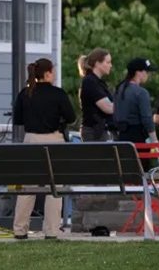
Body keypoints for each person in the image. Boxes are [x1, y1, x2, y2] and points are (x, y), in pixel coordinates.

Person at [11, 58, 76, 239]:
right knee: (54, 186)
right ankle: (52, 230)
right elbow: (71, 117)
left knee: (28, 186)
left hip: (31, 140)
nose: (53, 75)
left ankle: (20, 229)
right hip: (54, 140)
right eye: (53, 72)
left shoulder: (25, 93)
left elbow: (18, 120)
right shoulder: (58, 94)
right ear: (47, 73)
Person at [114, 58, 159, 144]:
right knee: (140, 158)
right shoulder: (141, 92)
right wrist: (154, 140)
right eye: (146, 72)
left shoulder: (119, 90)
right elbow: (147, 119)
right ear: (138, 72)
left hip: (122, 136)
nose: (148, 75)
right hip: (138, 136)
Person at [77, 48, 114, 141]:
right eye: (108, 62)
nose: (110, 65)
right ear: (97, 63)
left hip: (99, 130)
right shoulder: (90, 82)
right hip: (93, 131)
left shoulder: (98, 82)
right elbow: (107, 107)